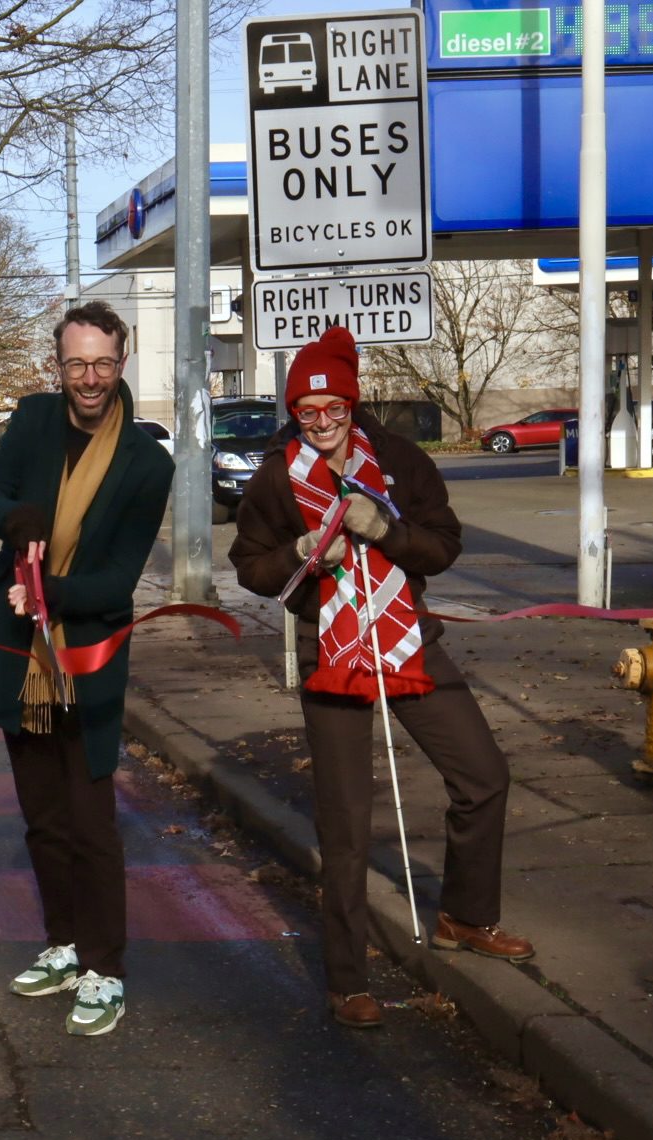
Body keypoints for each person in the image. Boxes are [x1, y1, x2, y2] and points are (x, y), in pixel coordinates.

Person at [229, 326, 533, 1029]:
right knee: (344, 822)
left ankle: (465, 915)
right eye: (308, 413)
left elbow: (443, 545)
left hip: (405, 641)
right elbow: (251, 565)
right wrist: (303, 549)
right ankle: (346, 979)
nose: (324, 424)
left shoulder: (396, 460)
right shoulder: (278, 474)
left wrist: (384, 529)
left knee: (482, 774)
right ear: (293, 414)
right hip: (330, 652)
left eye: (335, 408)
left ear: (352, 403)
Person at [0, 301, 175, 1038]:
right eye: (75, 364)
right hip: (20, 658)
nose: (88, 378)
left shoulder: (148, 464)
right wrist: (14, 520)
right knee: (42, 820)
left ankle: (104, 967)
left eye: (102, 363)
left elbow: (118, 582)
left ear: (123, 363)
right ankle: (61, 944)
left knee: (91, 825)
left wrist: (51, 591)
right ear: (58, 366)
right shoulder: (31, 421)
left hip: (85, 660)